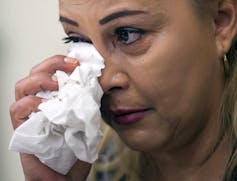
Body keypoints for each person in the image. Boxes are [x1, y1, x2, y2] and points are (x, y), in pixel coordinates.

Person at [9, 0, 237, 180]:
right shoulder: (96, 166)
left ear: (220, 23)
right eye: (79, 42)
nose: (103, 80)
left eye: (128, 34)